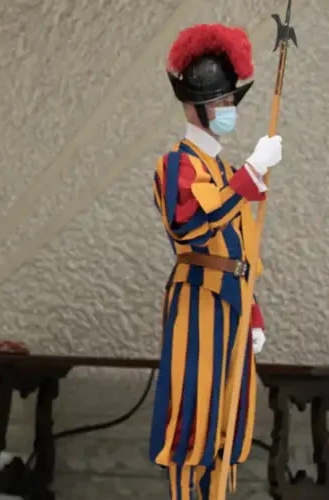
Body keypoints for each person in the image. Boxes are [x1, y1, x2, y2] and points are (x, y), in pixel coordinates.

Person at [149, 24, 282, 499]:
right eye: (220, 102)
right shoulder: (176, 165)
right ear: (196, 105)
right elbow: (190, 227)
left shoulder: (223, 171)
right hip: (199, 301)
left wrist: (255, 308)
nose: (228, 111)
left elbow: (239, 248)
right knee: (195, 420)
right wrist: (250, 173)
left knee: (231, 421)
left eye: (230, 101)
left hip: (233, 301)